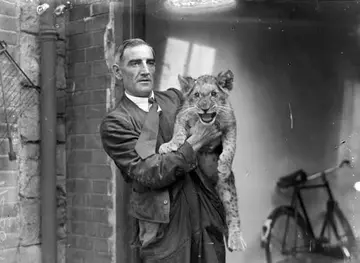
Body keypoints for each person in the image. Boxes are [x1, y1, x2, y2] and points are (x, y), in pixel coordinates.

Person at [100, 38, 229, 263]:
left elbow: (218, 126)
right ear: (118, 72)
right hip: (165, 229)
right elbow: (151, 172)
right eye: (135, 64)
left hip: (204, 212)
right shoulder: (116, 123)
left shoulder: (174, 99)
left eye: (150, 63)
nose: (144, 70)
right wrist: (195, 142)